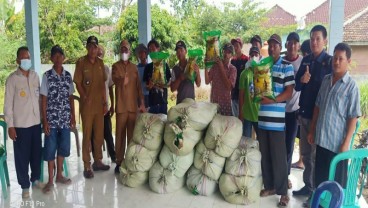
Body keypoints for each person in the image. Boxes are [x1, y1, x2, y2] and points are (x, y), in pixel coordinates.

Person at [308, 42, 361, 189]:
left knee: (335, 186)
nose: (336, 62)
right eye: (335, 58)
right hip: (322, 141)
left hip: (337, 146)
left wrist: (346, 143)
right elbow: (317, 106)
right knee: (320, 181)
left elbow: (353, 117)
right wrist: (312, 130)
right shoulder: (326, 80)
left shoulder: (351, 87)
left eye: (341, 59)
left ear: (348, 62)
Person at [293, 25, 333, 197]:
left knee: (316, 157)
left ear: (324, 40)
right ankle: (308, 187)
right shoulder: (306, 60)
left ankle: (316, 192)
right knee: (306, 155)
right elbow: (297, 85)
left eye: (318, 38)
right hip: (305, 115)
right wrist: (303, 79)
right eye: (312, 38)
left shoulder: (331, 62)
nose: (314, 42)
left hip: (320, 119)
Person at [258, 34, 294, 207]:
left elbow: (289, 92)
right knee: (265, 156)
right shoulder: (262, 66)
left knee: (279, 158)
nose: (272, 48)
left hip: (277, 122)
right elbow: (255, 87)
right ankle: (270, 186)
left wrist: (272, 100)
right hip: (262, 119)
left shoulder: (287, 67)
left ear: (280, 48)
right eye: (270, 45)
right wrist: (255, 93)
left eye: (275, 45)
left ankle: (283, 193)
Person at [4, 46, 44, 198]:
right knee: (22, 157)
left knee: (36, 154)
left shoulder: (35, 76)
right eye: (23, 58)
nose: (27, 60)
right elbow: (7, 105)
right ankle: (25, 186)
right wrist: (10, 126)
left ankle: (35, 179)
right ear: (17, 61)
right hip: (20, 126)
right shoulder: (12, 79)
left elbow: (40, 99)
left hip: (35, 123)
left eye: (28, 57)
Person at [73, 36, 110, 179]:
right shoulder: (81, 63)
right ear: (87, 47)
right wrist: (84, 97)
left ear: (97, 48)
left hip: (99, 105)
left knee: (99, 134)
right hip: (87, 106)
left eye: (95, 47)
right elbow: (78, 83)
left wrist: (105, 102)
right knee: (87, 135)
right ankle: (87, 165)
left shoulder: (101, 63)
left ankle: (98, 161)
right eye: (90, 46)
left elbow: (102, 85)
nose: (93, 49)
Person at [40, 45, 75, 193]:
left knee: (64, 147)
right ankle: (50, 181)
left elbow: (71, 97)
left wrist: (73, 115)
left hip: (65, 118)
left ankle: (59, 175)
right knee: (50, 148)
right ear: (51, 58)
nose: (58, 58)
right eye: (55, 56)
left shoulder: (68, 76)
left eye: (61, 55)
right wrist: (45, 121)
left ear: (63, 57)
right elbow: (43, 99)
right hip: (52, 120)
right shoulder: (47, 76)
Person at [112, 40, 146, 174]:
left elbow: (138, 88)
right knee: (119, 135)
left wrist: (141, 103)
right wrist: (122, 80)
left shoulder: (134, 68)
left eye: (126, 50)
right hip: (121, 107)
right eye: (122, 50)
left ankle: (130, 160)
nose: (124, 52)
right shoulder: (115, 66)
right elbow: (115, 80)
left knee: (131, 136)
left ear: (130, 52)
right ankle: (119, 161)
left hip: (132, 108)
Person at [283, 32, 304, 189]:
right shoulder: (281, 62)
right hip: (278, 110)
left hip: (294, 111)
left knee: (289, 145)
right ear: (286, 45)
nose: (292, 45)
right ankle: (277, 174)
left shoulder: (303, 62)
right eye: (289, 42)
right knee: (279, 145)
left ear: (298, 46)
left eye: (295, 43)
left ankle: (286, 177)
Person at [90, 45, 116, 162]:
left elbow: (110, 88)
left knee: (108, 134)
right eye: (98, 54)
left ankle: (114, 157)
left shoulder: (106, 68)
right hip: (93, 109)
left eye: (101, 54)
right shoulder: (89, 68)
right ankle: (96, 159)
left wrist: (112, 105)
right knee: (94, 135)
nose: (99, 56)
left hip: (105, 107)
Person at [291, 39, 311, 170]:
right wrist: (302, 80)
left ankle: (302, 162)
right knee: (303, 143)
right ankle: (308, 184)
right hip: (302, 110)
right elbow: (297, 86)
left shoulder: (326, 62)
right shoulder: (305, 63)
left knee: (312, 148)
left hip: (314, 112)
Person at [205, 43, 237, 116]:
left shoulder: (233, 69)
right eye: (224, 51)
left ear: (232, 55)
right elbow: (207, 81)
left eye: (229, 52)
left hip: (225, 105)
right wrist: (206, 66)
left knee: (225, 126)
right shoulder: (215, 65)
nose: (226, 54)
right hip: (214, 105)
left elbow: (228, 86)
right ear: (221, 52)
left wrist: (221, 67)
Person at [143, 39, 172, 114]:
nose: (152, 51)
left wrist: (163, 85)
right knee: (152, 124)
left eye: (153, 48)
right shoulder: (148, 67)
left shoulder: (165, 66)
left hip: (163, 102)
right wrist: (150, 86)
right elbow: (147, 87)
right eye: (150, 50)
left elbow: (169, 83)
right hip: (152, 103)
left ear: (158, 49)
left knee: (163, 123)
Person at [239, 46, 260, 137]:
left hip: (259, 114)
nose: (254, 57)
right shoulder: (244, 74)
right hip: (247, 114)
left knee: (261, 142)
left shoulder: (263, 73)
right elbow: (241, 95)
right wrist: (240, 112)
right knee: (246, 141)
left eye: (256, 54)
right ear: (249, 57)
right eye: (252, 55)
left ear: (259, 56)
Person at [230, 37, 248, 117]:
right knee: (235, 117)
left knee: (243, 116)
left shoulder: (246, 60)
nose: (235, 48)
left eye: (237, 45)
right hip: (234, 93)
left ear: (241, 46)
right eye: (233, 46)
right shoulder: (232, 61)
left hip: (243, 94)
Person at [136, 43, 150, 108]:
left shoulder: (150, 67)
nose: (141, 55)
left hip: (149, 96)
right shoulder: (136, 68)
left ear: (146, 54)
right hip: (139, 96)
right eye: (139, 53)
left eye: (142, 52)